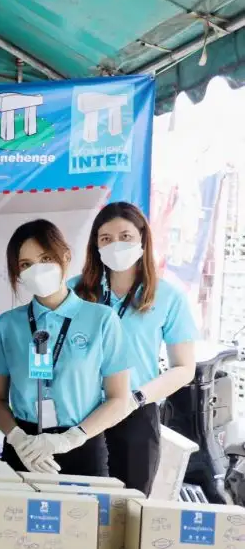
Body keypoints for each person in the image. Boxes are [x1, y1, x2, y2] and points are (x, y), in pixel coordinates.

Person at [0, 219, 132, 476]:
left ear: (65, 256)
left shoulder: (102, 320)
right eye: (26, 264)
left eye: (45, 259)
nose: (37, 270)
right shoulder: (7, 324)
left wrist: (72, 438)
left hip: (82, 443)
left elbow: (118, 398)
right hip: (24, 449)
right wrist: (17, 438)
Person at [72, 202, 197, 494]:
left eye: (125, 236)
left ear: (142, 239)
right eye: (106, 238)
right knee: (76, 507)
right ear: (96, 246)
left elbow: (184, 367)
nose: (115, 244)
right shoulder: (74, 292)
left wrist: (136, 397)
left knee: (127, 507)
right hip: (79, 413)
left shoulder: (168, 297)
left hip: (135, 414)